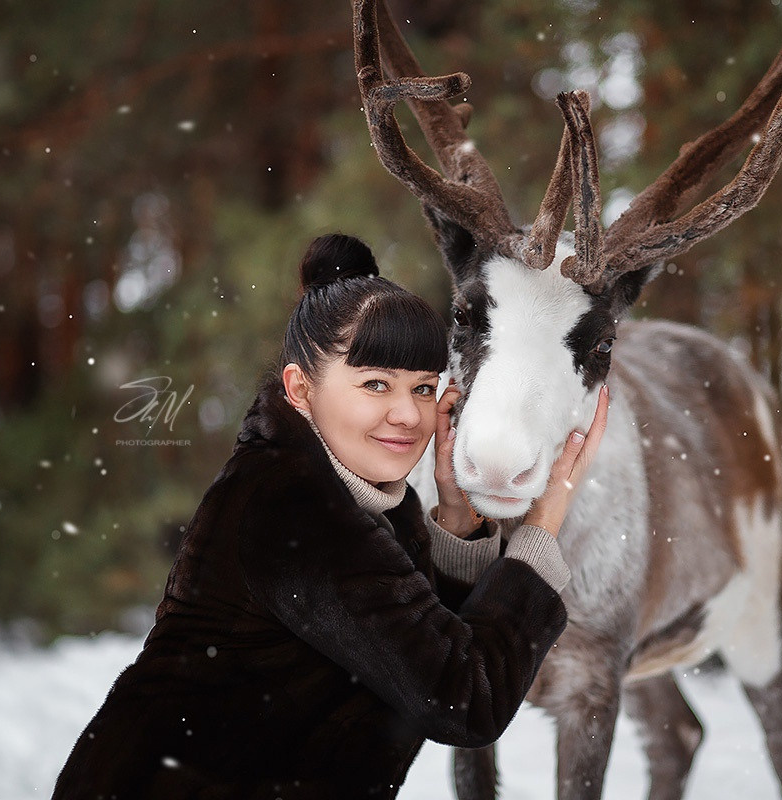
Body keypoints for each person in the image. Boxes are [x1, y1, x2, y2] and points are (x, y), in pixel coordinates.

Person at [52, 233, 608, 800]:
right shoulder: (291, 508)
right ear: (300, 388)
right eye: (375, 384)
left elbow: (413, 647)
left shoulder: (363, 500)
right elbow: (463, 701)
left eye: (422, 388)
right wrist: (539, 532)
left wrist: (456, 524)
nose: (407, 415)